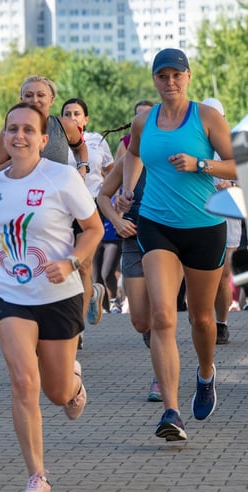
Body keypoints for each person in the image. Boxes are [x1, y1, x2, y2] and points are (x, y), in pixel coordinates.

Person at [0, 102, 103, 492]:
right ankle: (37, 478)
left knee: (57, 393)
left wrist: (71, 261)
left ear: (43, 139)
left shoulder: (61, 177)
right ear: (4, 137)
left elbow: (92, 229)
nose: (19, 136)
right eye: (12, 129)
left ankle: (73, 384)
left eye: (28, 130)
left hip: (59, 295)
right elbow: (2, 239)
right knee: (24, 381)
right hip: (10, 294)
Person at [120, 48, 237, 441]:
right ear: (154, 79)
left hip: (204, 226)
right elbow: (133, 157)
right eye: (162, 76)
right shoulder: (143, 121)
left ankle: (205, 374)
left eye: (176, 75)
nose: (169, 82)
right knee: (163, 317)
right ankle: (171, 410)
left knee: (201, 319)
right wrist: (126, 189)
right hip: (157, 226)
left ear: (188, 77)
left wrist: (200, 164)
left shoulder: (206, 117)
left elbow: (241, 164)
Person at [0, 77, 98, 332]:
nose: (34, 100)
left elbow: (81, 149)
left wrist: (82, 167)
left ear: (51, 100)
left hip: (67, 204)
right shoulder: (11, 133)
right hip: (31, 211)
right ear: (21, 99)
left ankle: (77, 329)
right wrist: (21, 157)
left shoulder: (64, 126)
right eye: (28, 96)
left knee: (82, 264)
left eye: (40, 95)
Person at [97, 156, 159, 400]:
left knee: (161, 314)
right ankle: (156, 344)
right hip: (133, 238)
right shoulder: (127, 161)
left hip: (165, 240)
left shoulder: (171, 151)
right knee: (141, 321)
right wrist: (116, 220)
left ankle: (161, 376)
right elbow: (103, 196)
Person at [62, 97, 114, 322]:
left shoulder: (97, 140)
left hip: (91, 206)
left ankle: (78, 328)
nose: (72, 118)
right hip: (63, 208)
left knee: (83, 264)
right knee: (67, 265)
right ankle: (91, 293)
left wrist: (115, 198)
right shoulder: (54, 142)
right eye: (67, 114)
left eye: (76, 113)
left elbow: (111, 171)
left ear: (86, 118)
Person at [201, 97, 239, 344]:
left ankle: (221, 322)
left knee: (224, 272)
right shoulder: (195, 142)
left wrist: (232, 183)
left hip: (229, 212)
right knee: (202, 273)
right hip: (200, 212)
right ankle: (201, 320)